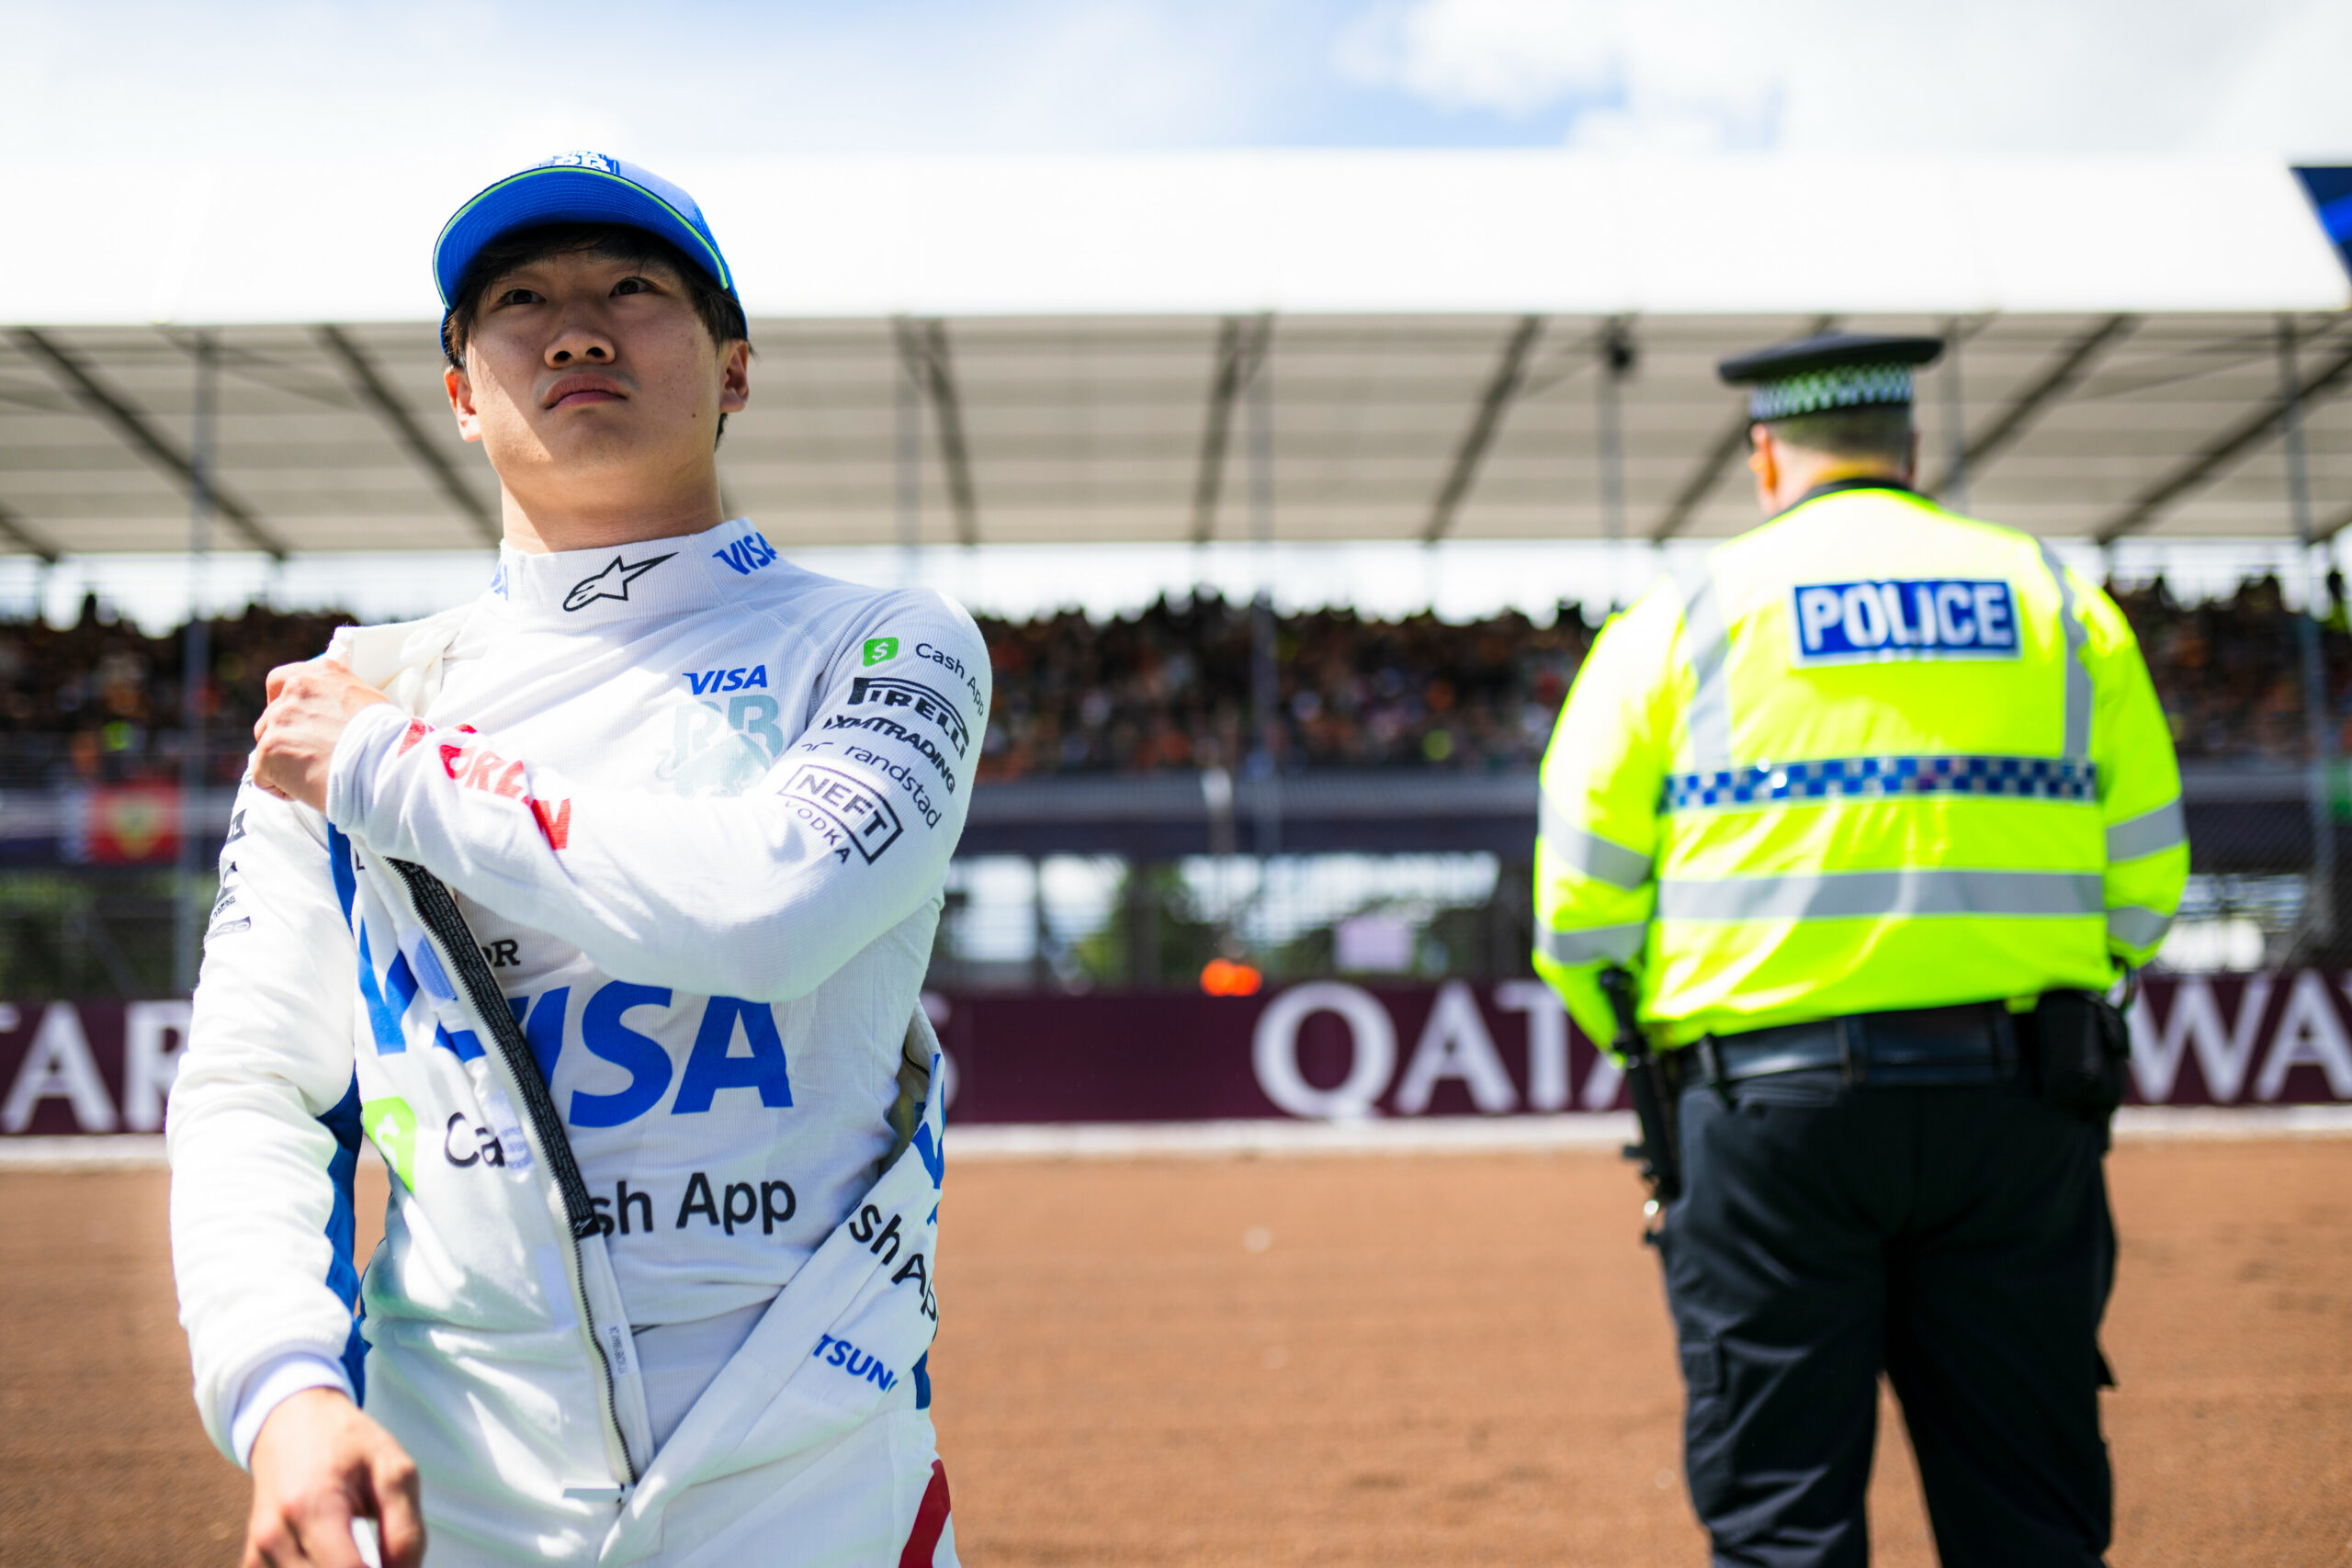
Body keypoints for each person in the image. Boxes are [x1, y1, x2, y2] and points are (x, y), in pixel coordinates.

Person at [168, 152, 983, 1568]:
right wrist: (282, 1392)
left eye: (634, 291)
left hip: (816, 1479)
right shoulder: (357, 685)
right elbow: (254, 1085)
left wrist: (386, 766)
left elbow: (768, 907)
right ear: (462, 394)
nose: (580, 328)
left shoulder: (890, 643)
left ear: (733, 373)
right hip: (453, 1482)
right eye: (522, 300)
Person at [1532, 332, 2187, 1567]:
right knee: (2034, 1519)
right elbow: (2146, 879)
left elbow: (1580, 914)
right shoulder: (2059, 602)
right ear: (1913, 451)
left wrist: (1652, 1052)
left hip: (1766, 1121)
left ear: (1764, 455)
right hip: (2019, 1107)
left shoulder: (1676, 621)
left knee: (1784, 1526)